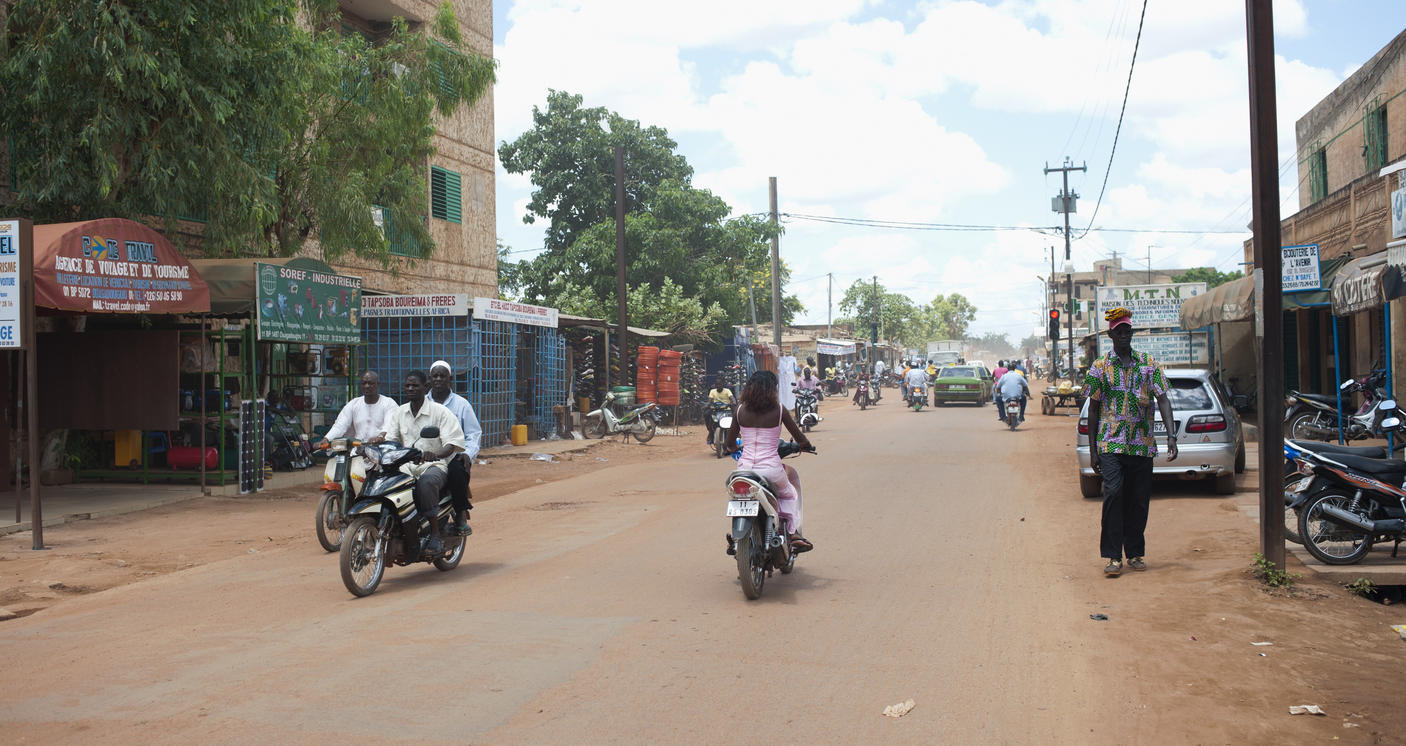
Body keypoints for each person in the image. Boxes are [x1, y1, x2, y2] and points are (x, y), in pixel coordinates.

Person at [1085, 307, 1178, 577]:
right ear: (1110, 335)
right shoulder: (1100, 367)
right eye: (1118, 332)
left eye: (1127, 331)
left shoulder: (1149, 364)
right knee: (1113, 493)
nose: (1124, 336)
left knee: (1138, 500)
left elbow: (1163, 399)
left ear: (1132, 333)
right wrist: (1093, 450)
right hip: (1110, 444)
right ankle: (1113, 557)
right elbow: (1093, 409)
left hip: (1142, 443)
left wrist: (1171, 436)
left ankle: (1135, 552)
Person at [374, 371, 465, 555]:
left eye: (415, 386)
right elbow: (391, 440)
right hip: (406, 466)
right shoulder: (400, 412)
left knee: (427, 482)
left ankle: (434, 533)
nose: (410, 389)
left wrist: (435, 454)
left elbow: (451, 444)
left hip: (433, 466)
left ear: (425, 387)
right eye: (407, 385)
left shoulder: (440, 413)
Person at [725, 371, 814, 552]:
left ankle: (736, 539)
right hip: (771, 469)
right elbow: (799, 437)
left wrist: (734, 449)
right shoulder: (779, 410)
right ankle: (792, 532)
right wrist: (805, 445)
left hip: (745, 470)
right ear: (773, 389)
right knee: (789, 495)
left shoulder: (740, 410)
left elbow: (729, 444)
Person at [428, 361, 483, 537]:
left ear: (450, 378)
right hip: (427, 455)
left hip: (453, 454)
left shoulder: (462, 405)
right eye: (435, 376)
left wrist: (468, 454)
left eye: (442, 376)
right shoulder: (422, 403)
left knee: (457, 469)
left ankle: (460, 514)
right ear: (429, 379)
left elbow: (474, 434)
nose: (438, 379)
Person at [321, 371, 397, 443]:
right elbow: (340, 425)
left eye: (370, 383)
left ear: (378, 384)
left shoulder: (388, 403)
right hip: (358, 449)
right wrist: (326, 439)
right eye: (364, 383)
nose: (367, 386)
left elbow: (390, 426)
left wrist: (380, 437)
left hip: (380, 449)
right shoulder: (354, 403)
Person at [705, 379, 735, 446]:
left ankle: (736, 433)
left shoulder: (727, 391)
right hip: (716, 410)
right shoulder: (712, 391)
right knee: (706, 414)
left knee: (735, 416)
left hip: (727, 410)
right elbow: (709, 401)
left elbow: (732, 398)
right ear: (715, 385)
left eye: (720, 384)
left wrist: (733, 402)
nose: (718, 386)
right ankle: (710, 433)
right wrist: (706, 405)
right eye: (717, 385)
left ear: (723, 385)